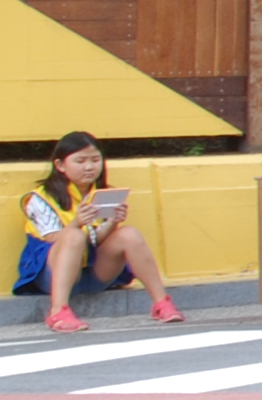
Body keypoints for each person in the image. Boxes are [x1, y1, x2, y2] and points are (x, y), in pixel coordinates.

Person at [17, 131, 182, 330]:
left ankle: (161, 303)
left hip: (93, 272)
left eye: (95, 160)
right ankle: (58, 311)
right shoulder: (40, 198)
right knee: (74, 235)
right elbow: (53, 238)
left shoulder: (103, 193)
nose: (89, 167)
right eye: (80, 161)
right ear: (60, 165)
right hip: (52, 275)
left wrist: (112, 222)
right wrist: (76, 223)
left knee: (129, 234)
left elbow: (95, 241)